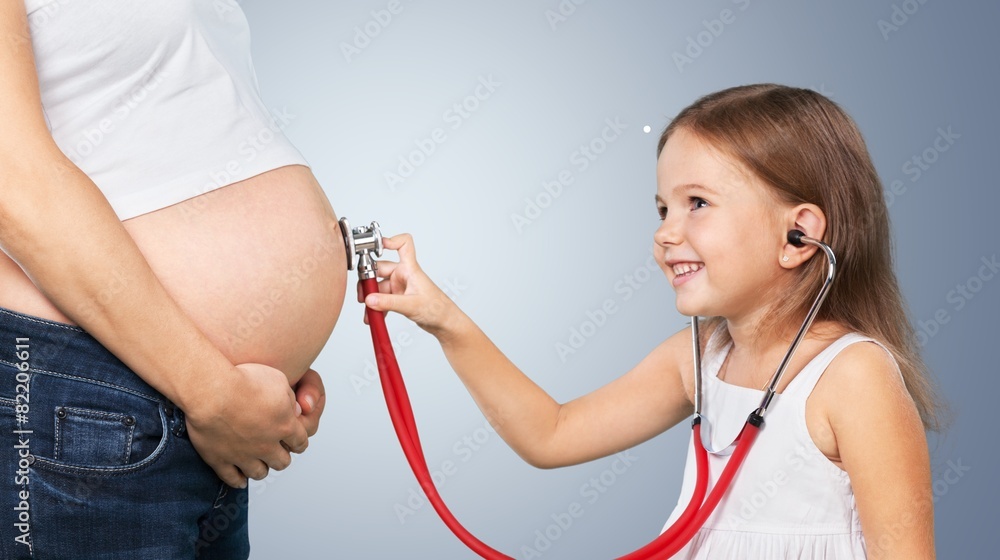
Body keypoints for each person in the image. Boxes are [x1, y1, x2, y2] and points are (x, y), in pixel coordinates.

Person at [363, 84, 939, 558]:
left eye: (698, 203)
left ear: (799, 237)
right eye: (663, 207)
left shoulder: (853, 378)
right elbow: (550, 434)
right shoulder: (698, 360)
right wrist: (443, 319)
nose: (665, 232)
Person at [1, 1, 344, 558]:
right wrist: (211, 389)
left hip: (194, 402)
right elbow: (10, 180)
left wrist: (268, 362)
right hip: (89, 388)